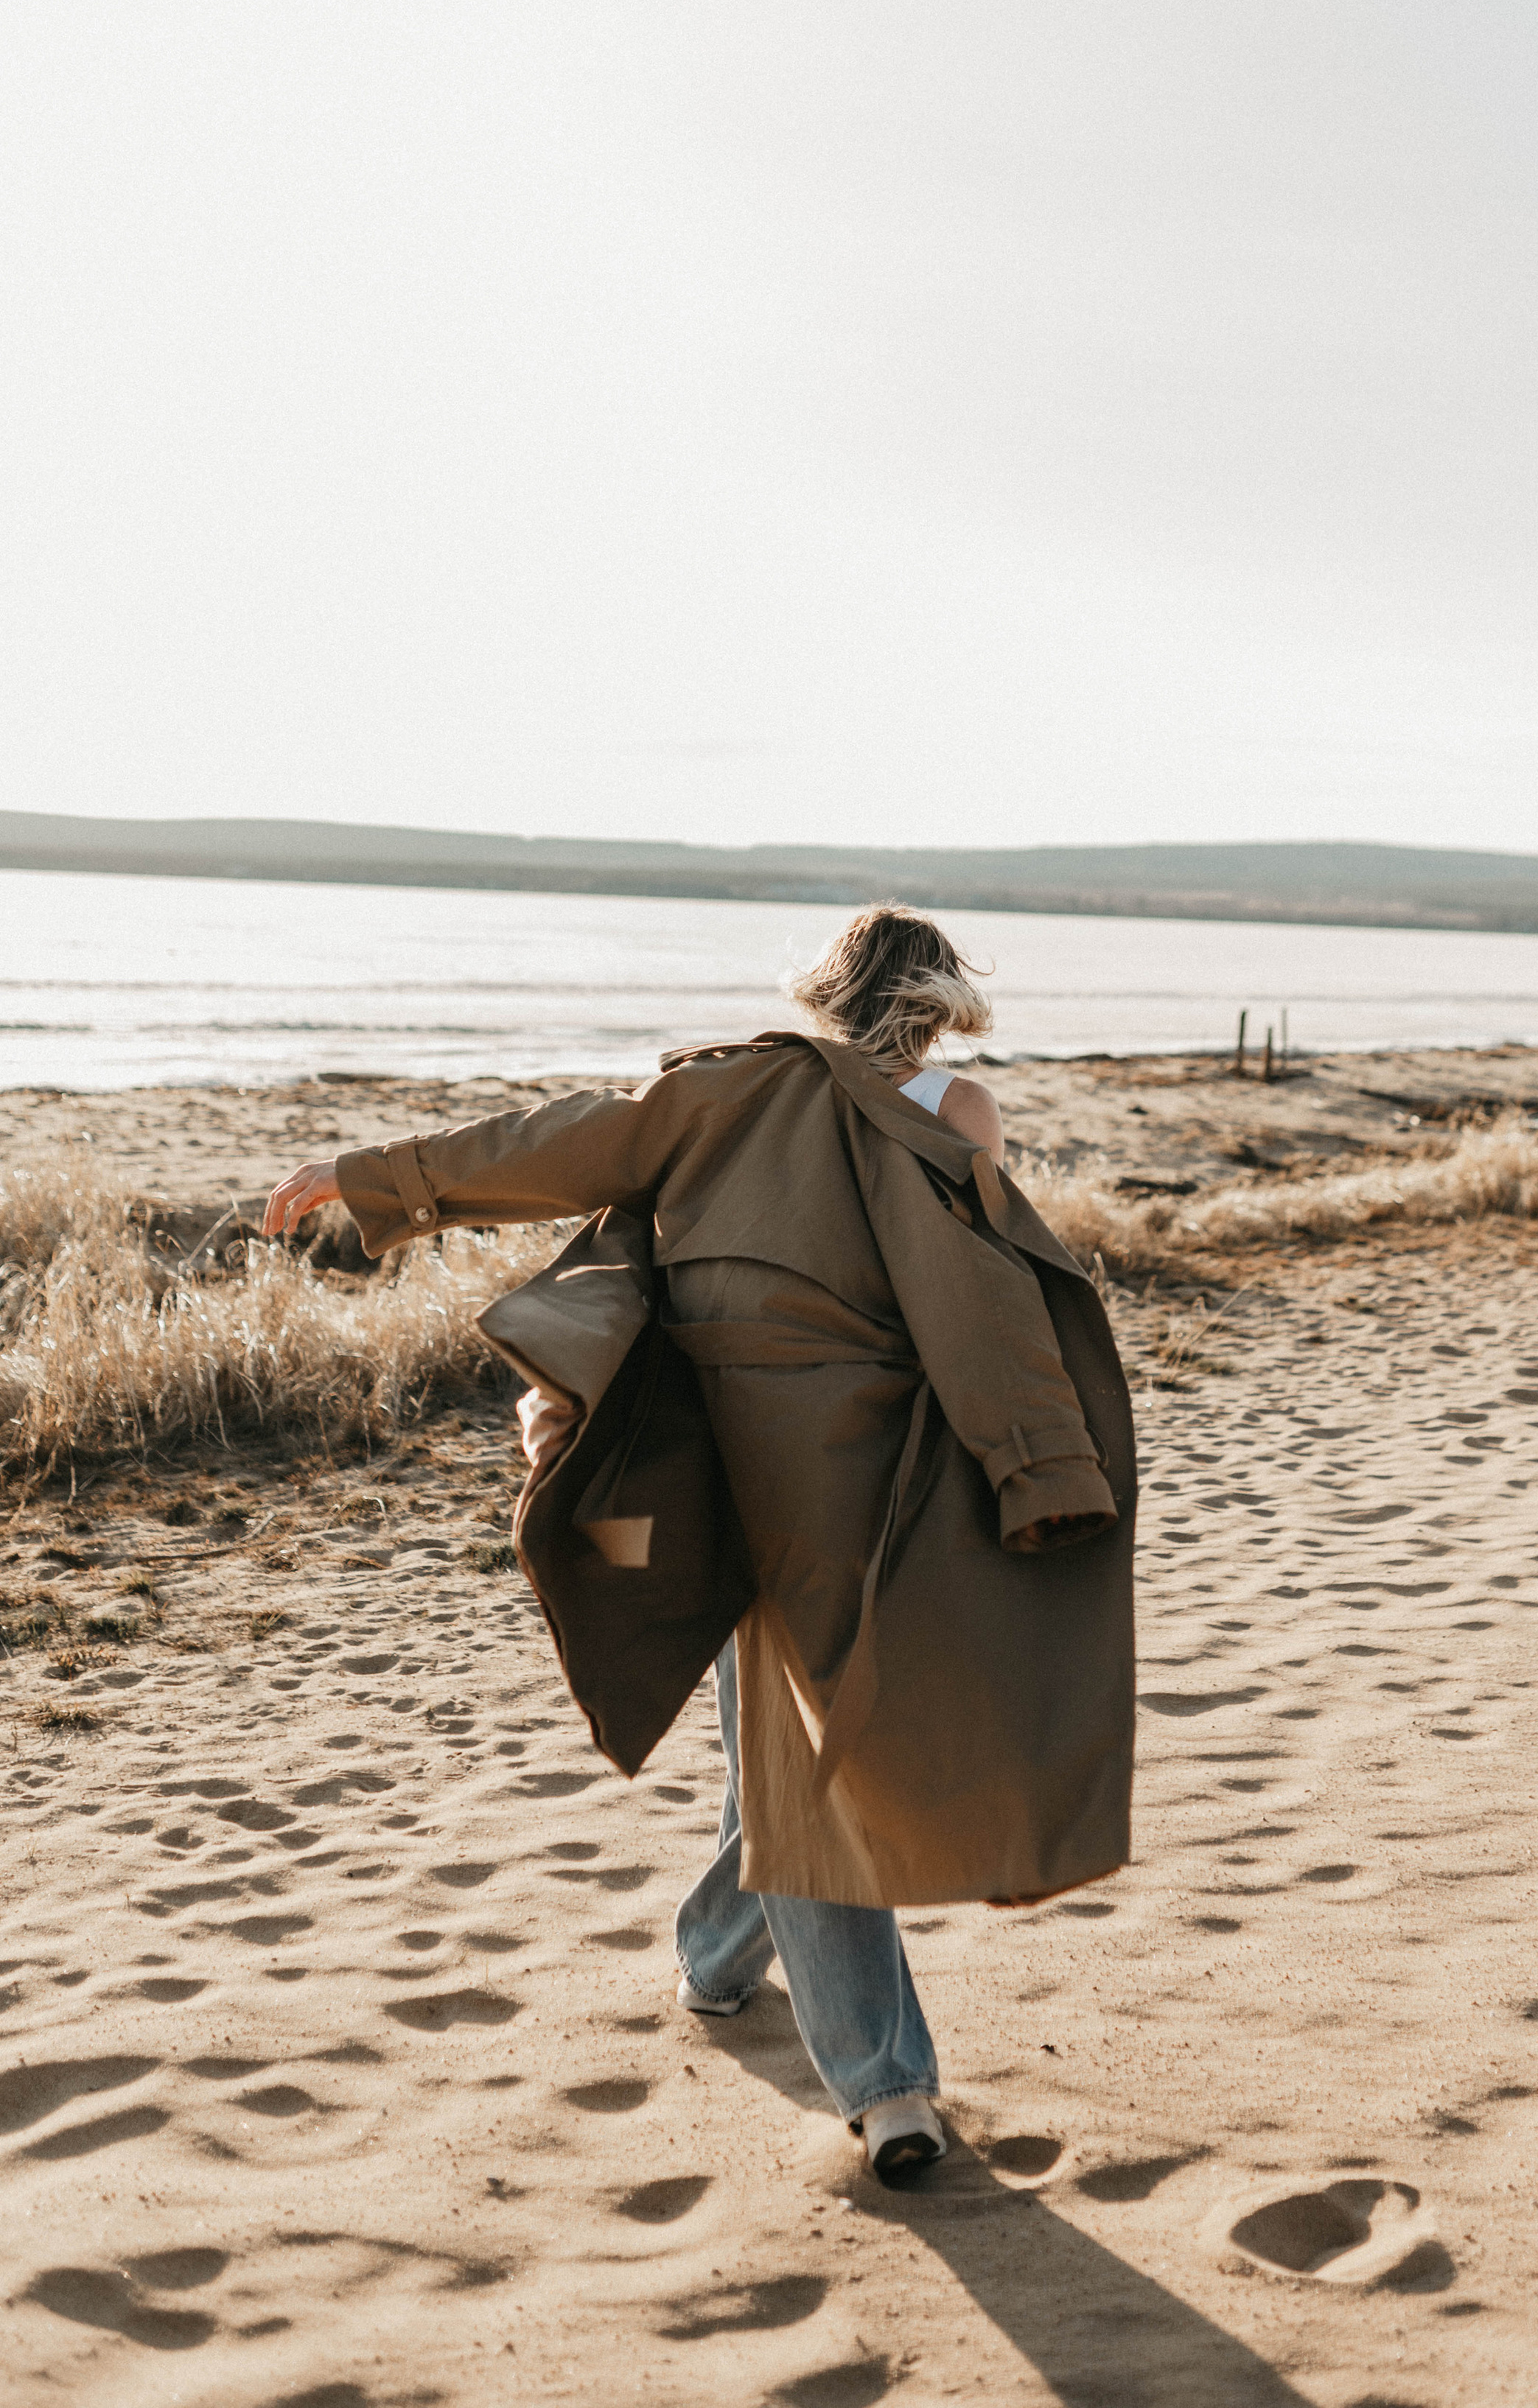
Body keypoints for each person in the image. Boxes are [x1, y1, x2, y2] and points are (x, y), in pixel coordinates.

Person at [266, 905, 1136, 2188]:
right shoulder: (957, 1110)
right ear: (941, 998)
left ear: (823, 988)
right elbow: (984, 1291)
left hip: (712, 1459)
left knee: (787, 1750)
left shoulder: (720, 1089)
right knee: (797, 1752)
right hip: (877, 1467)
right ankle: (865, 2068)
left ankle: (761, 1994)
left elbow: (554, 1144)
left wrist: (375, 1176)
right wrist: (1039, 1459)